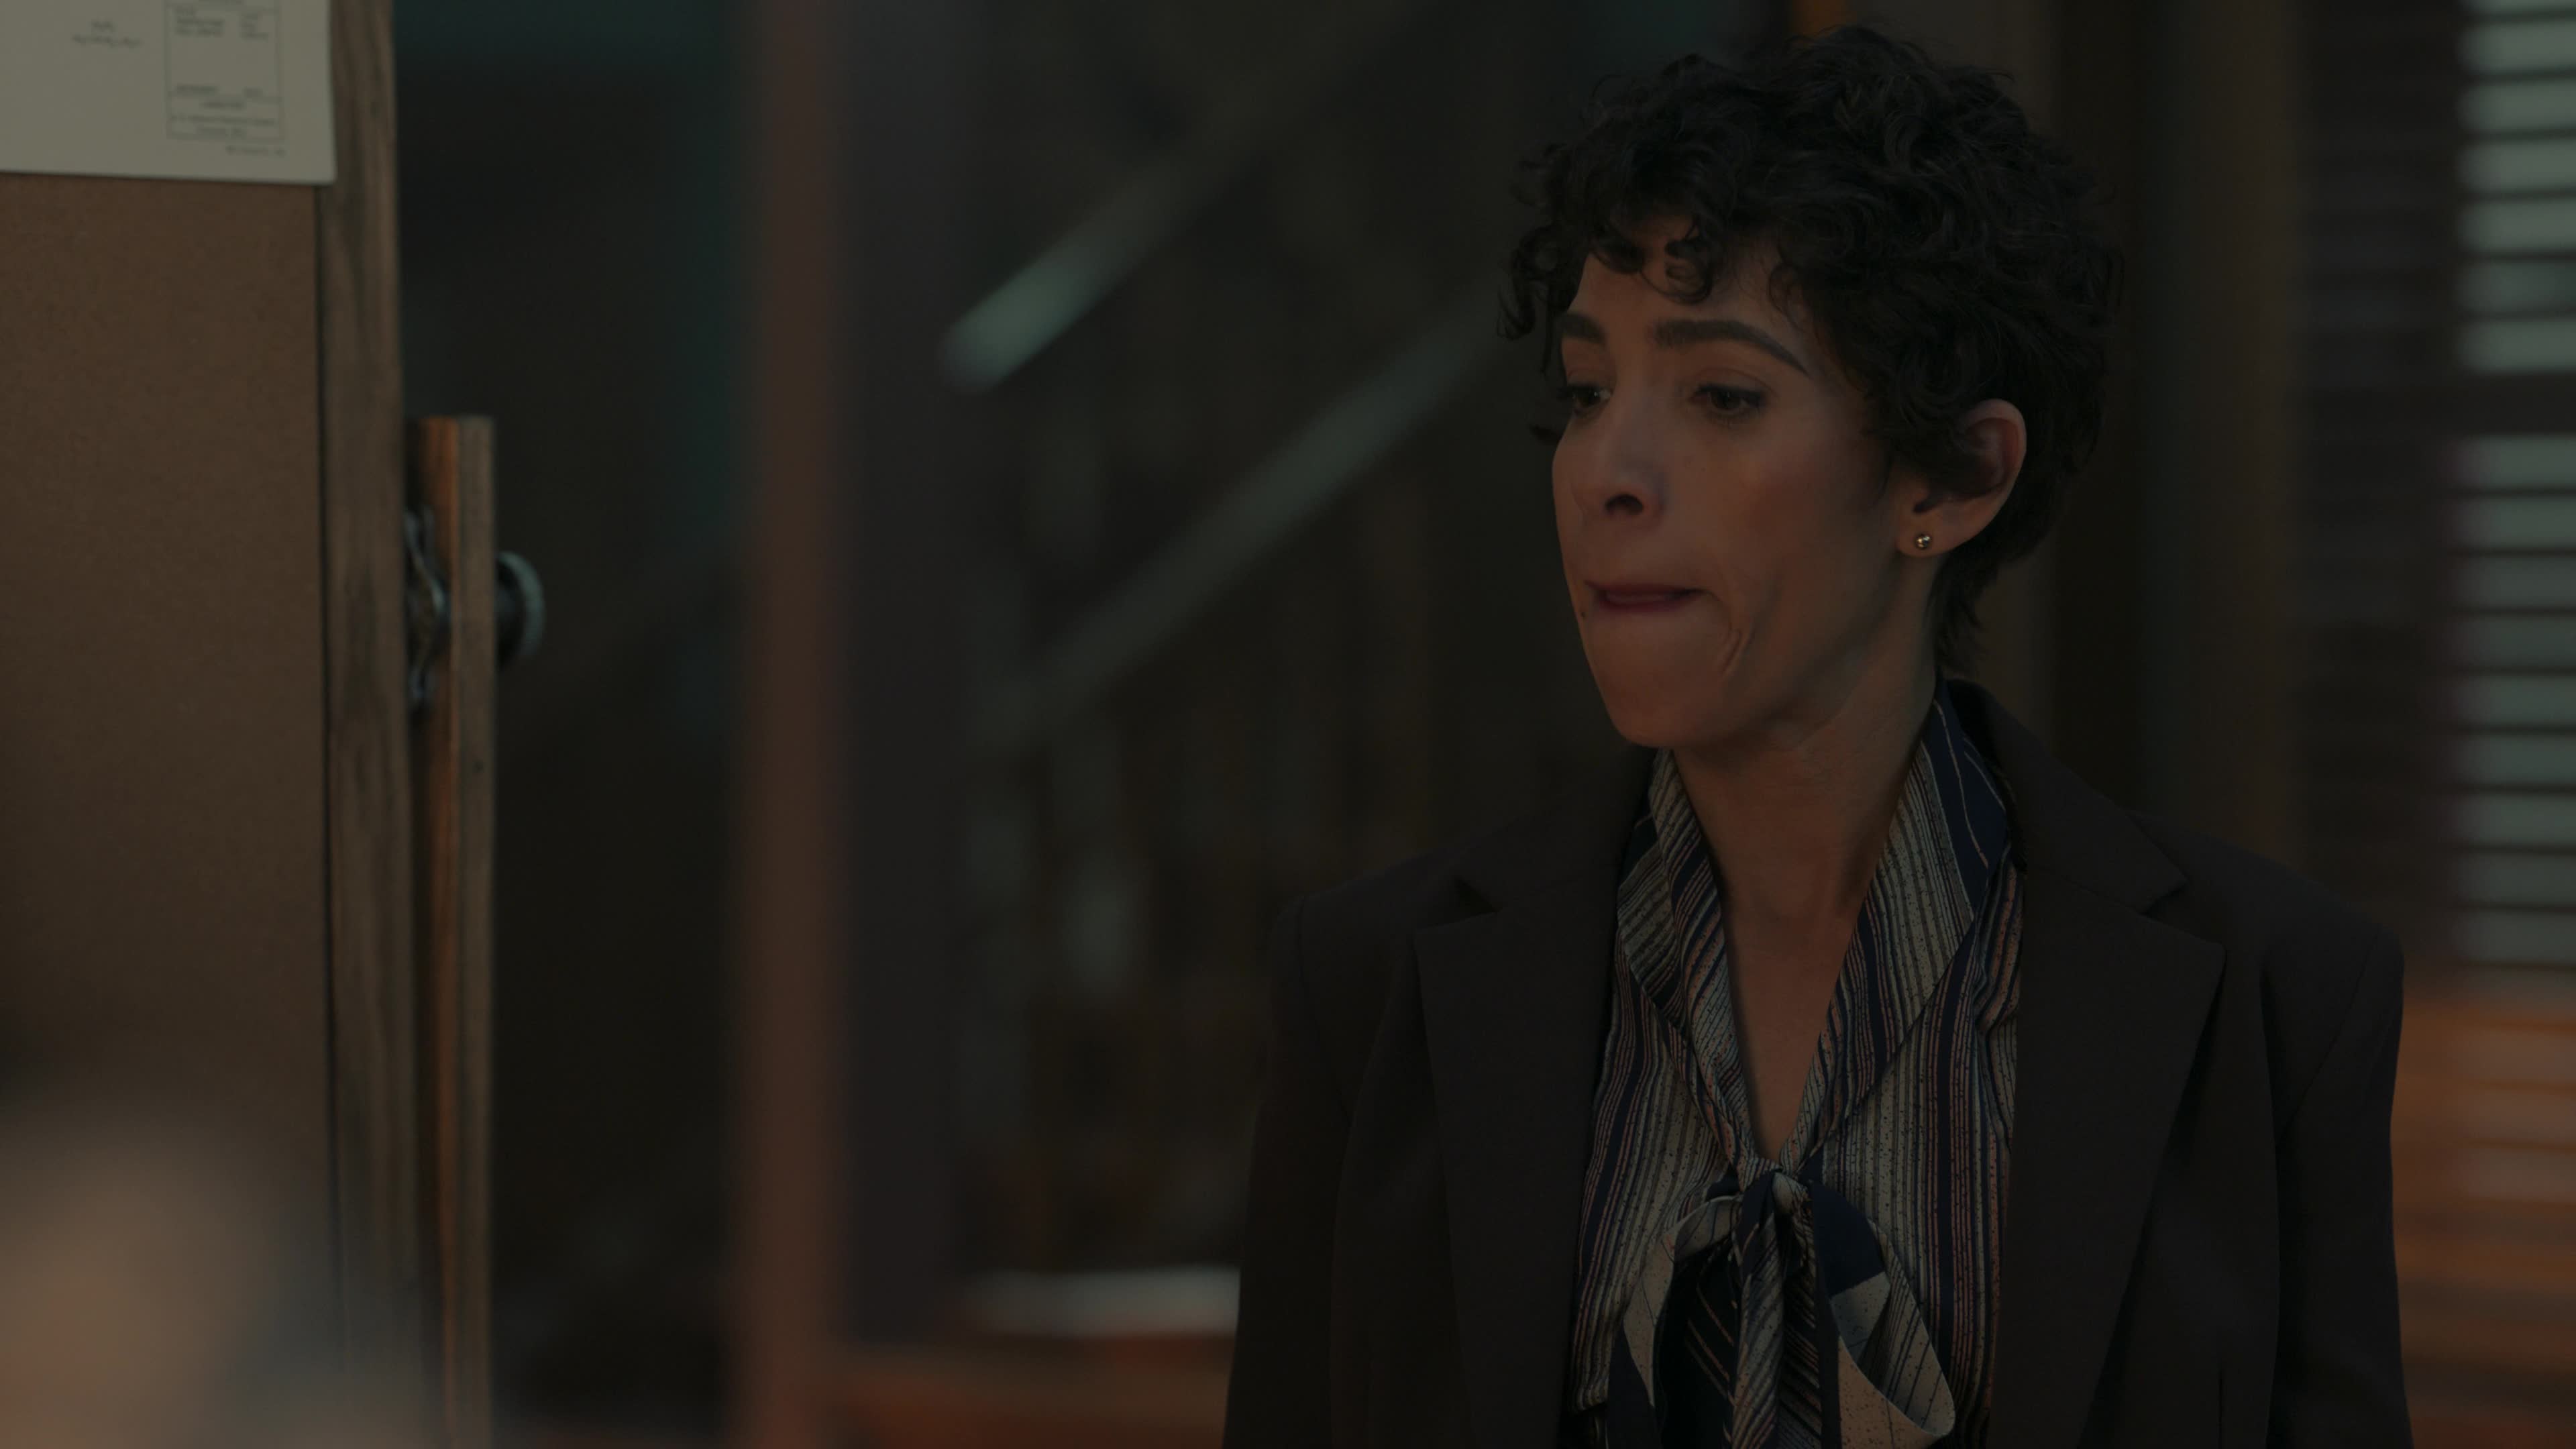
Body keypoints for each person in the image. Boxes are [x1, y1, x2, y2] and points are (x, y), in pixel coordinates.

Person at [1220, 23, 2408, 1449]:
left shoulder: (2274, 1001)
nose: (1606, 473)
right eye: (1589, 392)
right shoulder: (1372, 989)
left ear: (1955, 478)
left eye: (1723, 395)